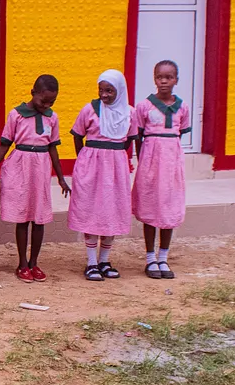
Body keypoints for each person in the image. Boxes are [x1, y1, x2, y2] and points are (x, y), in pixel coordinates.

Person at [0, 75, 70, 283]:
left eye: (51, 102)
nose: (46, 105)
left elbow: (53, 148)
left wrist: (61, 178)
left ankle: (34, 262)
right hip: (20, 167)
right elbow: (4, 144)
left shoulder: (52, 118)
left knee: (39, 218)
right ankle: (22, 263)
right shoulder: (16, 115)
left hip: (41, 169)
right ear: (32, 93)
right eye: (42, 101)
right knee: (23, 216)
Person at [68, 69, 137, 282]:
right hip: (92, 168)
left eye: (109, 90)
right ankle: (91, 263)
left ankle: (104, 260)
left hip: (116, 169)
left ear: (120, 90)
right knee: (92, 211)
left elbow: (129, 140)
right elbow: (78, 136)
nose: (104, 95)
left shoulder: (129, 113)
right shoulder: (89, 110)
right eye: (101, 90)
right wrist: (86, 159)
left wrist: (114, 156)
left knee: (112, 211)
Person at [132, 60, 191, 280]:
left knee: (169, 209)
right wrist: (143, 159)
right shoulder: (144, 106)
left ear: (176, 80)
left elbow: (180, 134)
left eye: (169, 77)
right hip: (150, 163)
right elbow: (138, 136)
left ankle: (163, 257)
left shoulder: (182, 107)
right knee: (151, 208)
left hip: (172, 165)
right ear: (154, 78)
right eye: (159, 77)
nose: (164, 81)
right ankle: (150, 258)